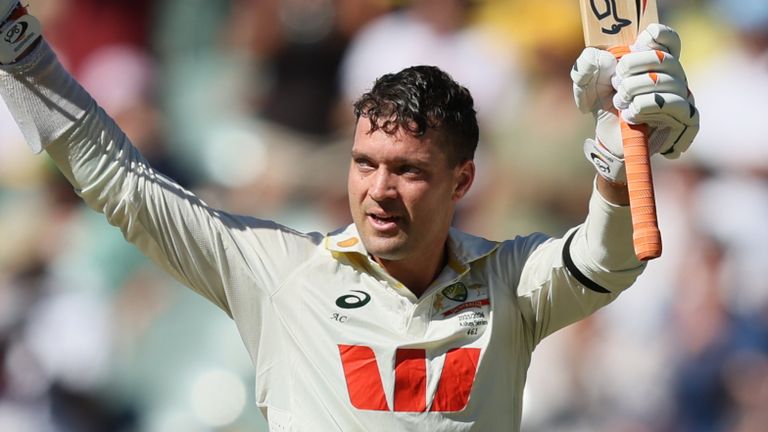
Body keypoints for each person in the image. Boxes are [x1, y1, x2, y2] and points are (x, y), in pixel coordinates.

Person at [0, 1, 699, 431]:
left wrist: (618, 150)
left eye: (409, 171)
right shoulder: (282, 276)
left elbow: (609, 260)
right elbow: (121, 183)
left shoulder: (510, 283)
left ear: (463, 180)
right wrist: (19, 50)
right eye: (366, 163)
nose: (379, 191)